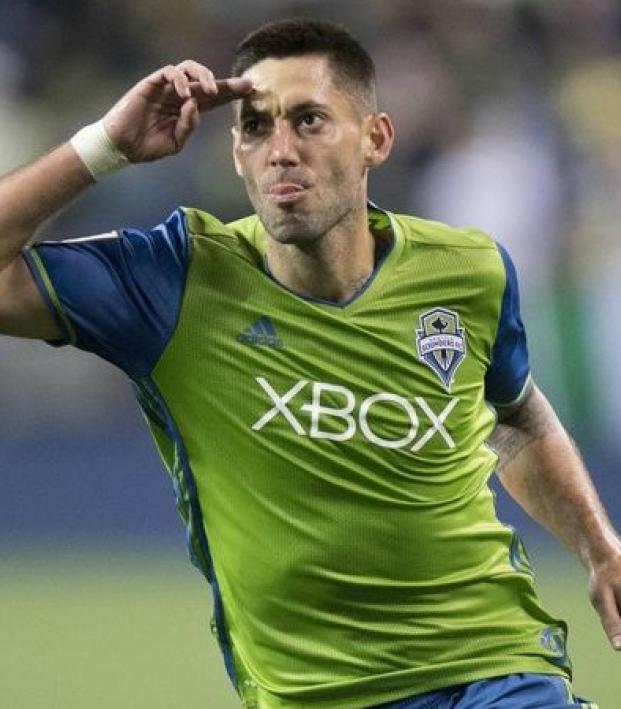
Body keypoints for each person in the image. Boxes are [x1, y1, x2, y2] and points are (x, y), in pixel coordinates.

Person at [0, 18, 618, 709]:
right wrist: (105, 146)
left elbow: (515, 418)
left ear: (375, 139)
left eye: (309, 121)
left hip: (495, 670)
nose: (281, 150)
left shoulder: (467, 271)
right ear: (234, 151)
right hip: (317, 695)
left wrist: (600, 548)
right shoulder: (174, 280)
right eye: (256, 127)